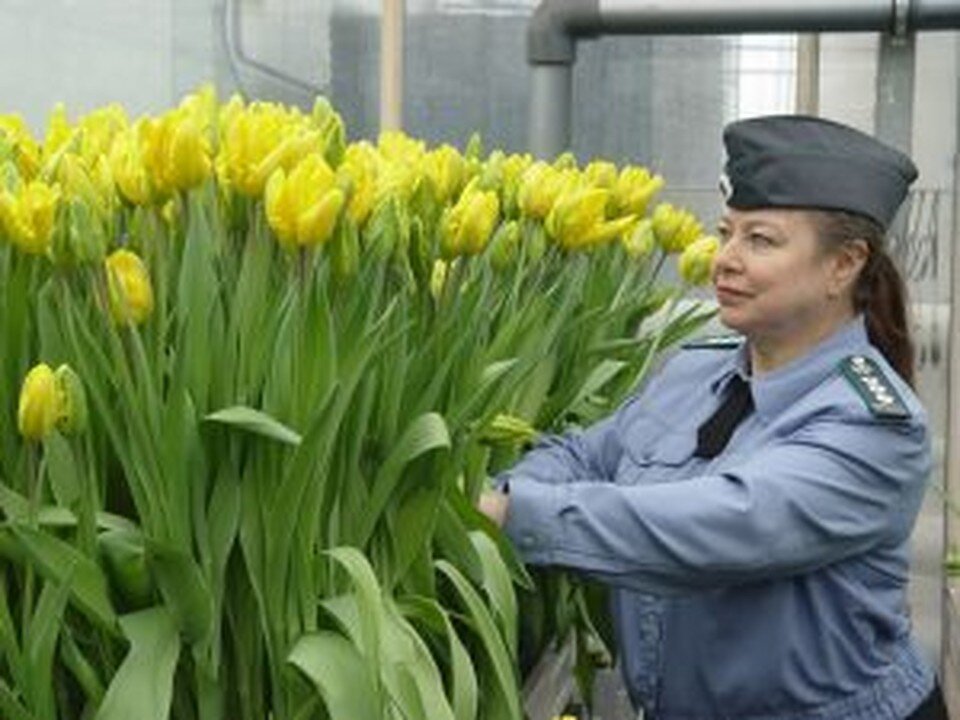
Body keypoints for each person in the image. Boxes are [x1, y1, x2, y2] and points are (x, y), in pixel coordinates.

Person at [479, 115, 948, 720]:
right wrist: (500, 490)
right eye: (726, 233)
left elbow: (719, 526)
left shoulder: (873, 426)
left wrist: (515, 513)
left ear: (844, 265)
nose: (724, 259)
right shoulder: (694, 374)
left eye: (761, 240)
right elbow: (582, 454)